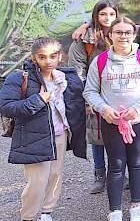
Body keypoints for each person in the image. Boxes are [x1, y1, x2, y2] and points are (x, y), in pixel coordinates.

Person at [82, 17, 140, 221]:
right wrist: (104, 109)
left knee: (137, 162)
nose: (123, 36)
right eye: (118, 32)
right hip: (111, 121)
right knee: (116, 164)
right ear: (110, 35)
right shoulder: (100, 61)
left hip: (139, 119)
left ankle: (137, 208)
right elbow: (90, 91)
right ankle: (115, 211)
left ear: (134, 34)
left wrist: (138, 108)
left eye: (127, 32)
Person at [0, 37, 87, 221]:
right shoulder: (19, 77)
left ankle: (47, 212)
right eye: (42, 57)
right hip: (33, 136)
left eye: (53, 56)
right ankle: (28, 217)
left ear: (60, 56)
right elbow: (6, 106)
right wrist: (38, 100)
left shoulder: (66, 78)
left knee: (55, 176)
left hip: (60, 134)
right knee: (37, 183)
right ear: (34, 58)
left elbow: (75, 103)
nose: (48, 61)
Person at [68, 0, 118, 195]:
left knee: (121, 134)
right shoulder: (84, 39)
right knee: (97, 136)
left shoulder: (122, 32)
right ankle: (99, 174)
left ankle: (120, 173)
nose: (107, 18)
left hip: (119, 91)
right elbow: (77, 70)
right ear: (96, 16)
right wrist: (87, 99)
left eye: (111, 14)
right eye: (103, 14)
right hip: (94, 93)